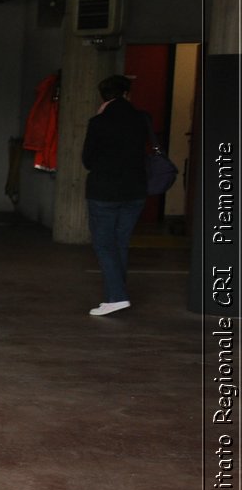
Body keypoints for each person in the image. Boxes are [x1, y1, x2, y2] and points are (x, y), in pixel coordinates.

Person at [82, 74, 149, 316]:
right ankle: (117, 293)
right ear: (127, 94)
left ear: (103, 96)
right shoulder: (142, 119)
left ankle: (116, 296)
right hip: (136, 190)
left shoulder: (98, 122)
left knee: (103, 243)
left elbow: (87, 160)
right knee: (120, 242)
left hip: (104, 191)